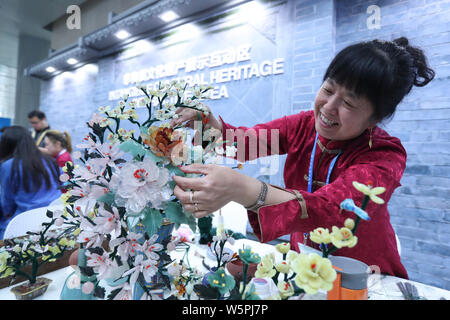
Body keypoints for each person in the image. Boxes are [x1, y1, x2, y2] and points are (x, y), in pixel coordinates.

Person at [170, 37, 435, 279]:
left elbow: (332, 209)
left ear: (375, 118)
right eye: (328, 90)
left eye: (349, 103)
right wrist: (207, 124)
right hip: (305, 267)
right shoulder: (303, 127)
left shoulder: (383, 155)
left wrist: (242, 189)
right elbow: (246, 143)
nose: (329, 107)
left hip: (361, 275)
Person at [0, 126, 62, 239]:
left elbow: (6, 205)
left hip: (23, 222)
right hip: (55, 219)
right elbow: (63, 184)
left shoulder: (8, 166)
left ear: (6, 145)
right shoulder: (51, 162)